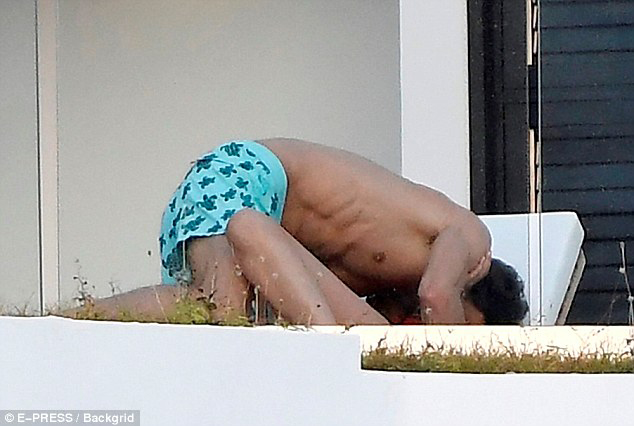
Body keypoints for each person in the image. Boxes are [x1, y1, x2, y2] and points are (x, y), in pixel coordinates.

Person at [67, 138, 528, 325]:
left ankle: (69, 319)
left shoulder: (388, 289)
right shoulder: (470, 238)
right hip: (248, 178)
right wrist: (453, 384)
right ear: (474, 286)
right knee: (223, 311)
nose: (429, 326)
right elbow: (437, 295)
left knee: (216, 315)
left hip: (251, 215)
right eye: (465, 325)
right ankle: (65, 322)